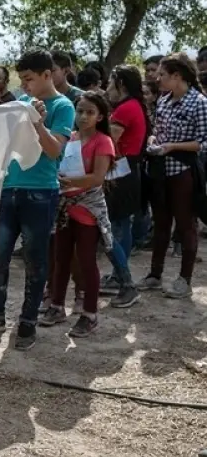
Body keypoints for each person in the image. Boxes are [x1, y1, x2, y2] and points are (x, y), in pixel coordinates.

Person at [0, 48, 76, 351]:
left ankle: (28, 320)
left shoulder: (63, 106)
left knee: (35, 259)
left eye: (29, 79)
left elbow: (54, 151)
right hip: (8, 188)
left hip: (40, 192)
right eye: (22, 80)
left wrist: (38, 123)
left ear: (47, 75)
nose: (24, 86)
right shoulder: (21, 103)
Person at [40, 92, 116, 337]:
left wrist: (69, 181)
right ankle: (57, 305)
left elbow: (97, 177)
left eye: (90, 112)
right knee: (61, 259)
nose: (83, 117)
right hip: (65, 206)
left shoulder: (103, 141)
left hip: (87, 208)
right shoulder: (70, 139)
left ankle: (89, 314)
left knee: (85, 261)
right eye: (80, 111)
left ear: (100, 116)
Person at [136, 53, 207, 299]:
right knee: (161, 223)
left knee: (186, 224)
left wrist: (173, 146)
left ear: (178, 76)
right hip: (160, 170)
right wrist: (154, 140)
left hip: (183, 172)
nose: (158, 79)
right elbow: (158, 130)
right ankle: (155, 275)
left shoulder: (198, 102)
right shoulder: (165, 100)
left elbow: (203, 142)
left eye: (163, 75)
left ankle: (184, 280)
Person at [102, 65, 148, 307]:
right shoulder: (134, 106)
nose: (107, 87)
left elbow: (109, 140)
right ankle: (119, 275)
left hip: (121, 171)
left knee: (113, 229)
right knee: (121, 226)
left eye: (110, 82)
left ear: (121, 84)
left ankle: (124, 280)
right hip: (127, 170)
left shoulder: (126, 109)